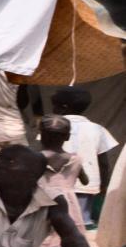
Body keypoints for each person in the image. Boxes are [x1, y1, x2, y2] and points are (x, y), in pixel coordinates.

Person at [47, 85, 119, 228]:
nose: (53, 110)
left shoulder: (51, 127)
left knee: (56, 223)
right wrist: (103, 185)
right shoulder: (97, 129)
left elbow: (46, 154)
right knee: (82, 223)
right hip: (86, 186)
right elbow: (103, 162)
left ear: (63, 107)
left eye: (54, 106)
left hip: (56, 186)